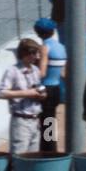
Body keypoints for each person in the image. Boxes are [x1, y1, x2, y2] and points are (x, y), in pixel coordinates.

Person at [0, 38, 45, 154]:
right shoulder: (12, 71)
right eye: (33, 53)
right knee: (19, 155)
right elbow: (1, 93)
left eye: (37, 53)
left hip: (36, 118)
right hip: (21, 120)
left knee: (33, 156)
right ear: (24, 54)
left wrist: (41, 94)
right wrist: (28, 93)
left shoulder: (35, 70)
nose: (37, 57)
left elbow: (38, 88)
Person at [34, 18, 66, 152]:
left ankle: (48, 151)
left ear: (38, 33)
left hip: (46, 89)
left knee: (46, 123)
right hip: (57, 87)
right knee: (50, 120)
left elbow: (41, 72)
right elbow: (64, 72)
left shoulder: (44, 48)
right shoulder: (61, 47)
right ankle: (51, 148)